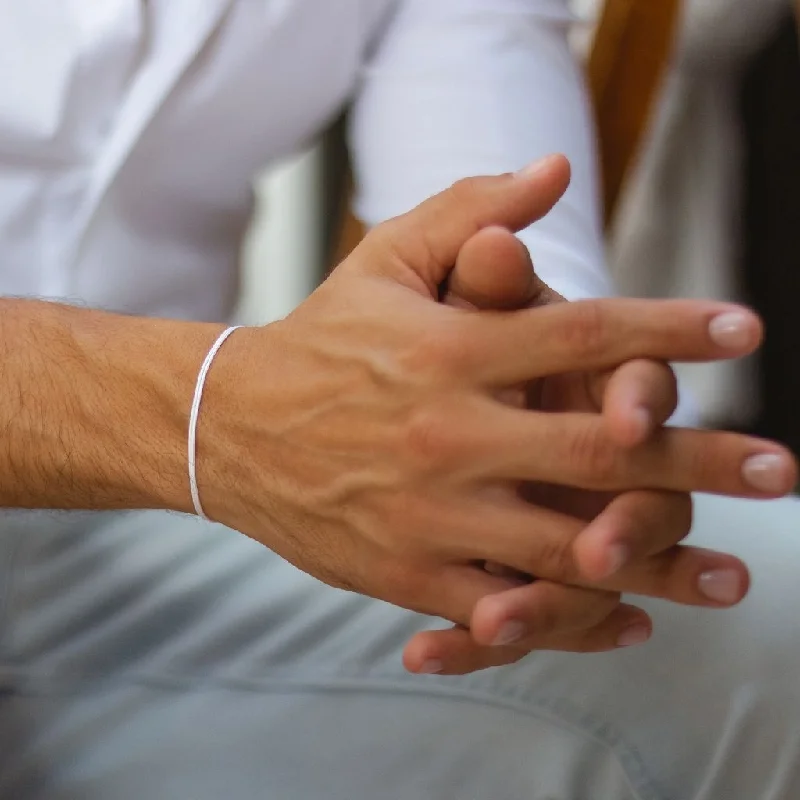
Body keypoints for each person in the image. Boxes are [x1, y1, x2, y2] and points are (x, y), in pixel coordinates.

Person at [0, 1, 797, 797]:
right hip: (182, 466)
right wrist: (211, 419)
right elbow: (222, 427)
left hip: (135, 547)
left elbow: (482, 135)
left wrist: (528, 404)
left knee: (774, 621)